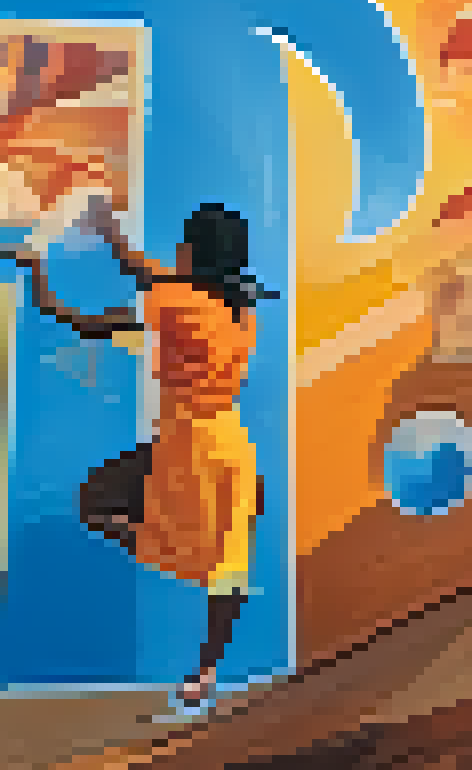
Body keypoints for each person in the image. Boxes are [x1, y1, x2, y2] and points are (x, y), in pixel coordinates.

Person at [7, 196, 273, 717]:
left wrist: (51, 261)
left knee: (97, 505)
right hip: (229, 448)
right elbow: (147, 274)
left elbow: (107, 293)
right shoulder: (239, 308)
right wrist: (109, 239)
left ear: (193, 256)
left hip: (190, 448)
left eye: (182, 247)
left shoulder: (175, 303)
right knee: (229, 570)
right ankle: (204, 674)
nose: (172, 254)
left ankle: (158, 546)